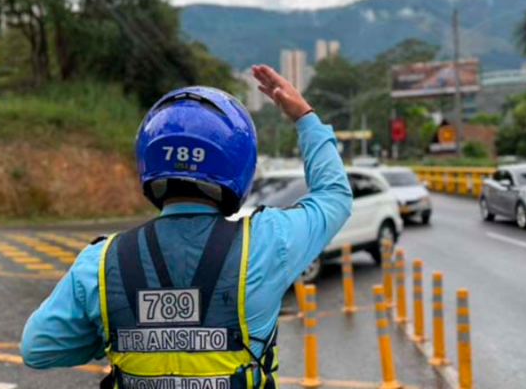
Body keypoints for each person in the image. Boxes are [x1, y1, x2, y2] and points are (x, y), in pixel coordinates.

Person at [20, 64, 352, 389]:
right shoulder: (267, 243)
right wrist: (305, 117)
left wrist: (110, 334)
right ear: (241, 164)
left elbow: (37, 349)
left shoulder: (100, 262)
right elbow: (334, 196)